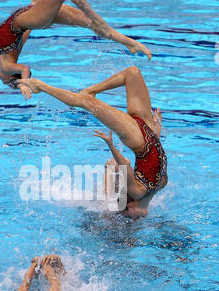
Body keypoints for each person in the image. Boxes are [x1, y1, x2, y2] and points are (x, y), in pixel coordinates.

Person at [17, 66, 168, 220]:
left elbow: (130, 163)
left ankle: (40, 86)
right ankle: (91, 90)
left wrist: (113, 145)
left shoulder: (149, 189)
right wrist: (155, 132)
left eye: (133, 217)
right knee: (132, 73)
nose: (139, 218)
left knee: (86, 102)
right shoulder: (151, 188)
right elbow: (143, 160)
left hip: (138, 136)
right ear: (129, 205)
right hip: (146, 131)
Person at [0, 0, 152, 98]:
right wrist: (24, 84)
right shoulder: (6, 65)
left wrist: (33, 6)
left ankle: (131, 43)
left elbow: (24, 33)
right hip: (33, 17)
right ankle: (97, 19)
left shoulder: (9, 55)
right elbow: (24, 68)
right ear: (11, 76)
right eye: (7, 82)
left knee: (91, 26)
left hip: (32, 16)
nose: (2, 80)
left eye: (7, 84)